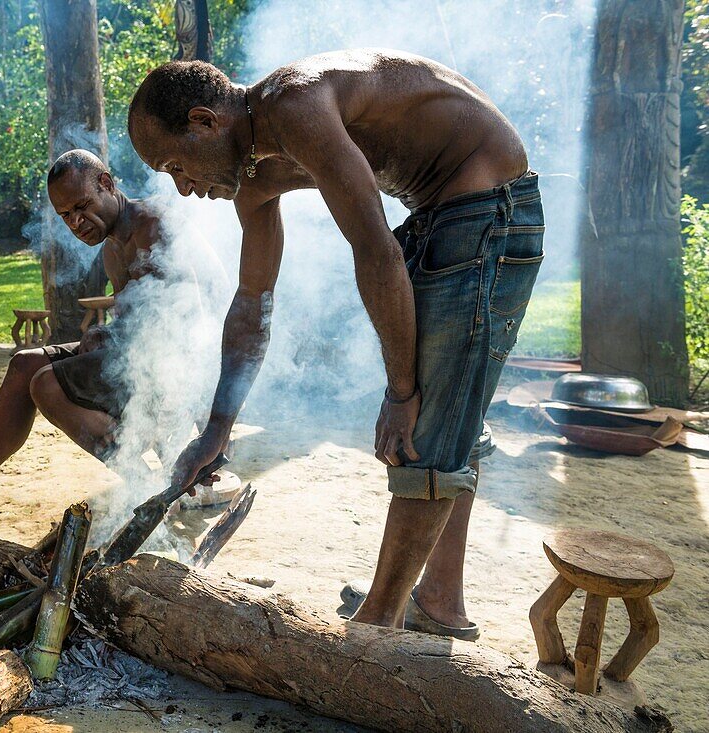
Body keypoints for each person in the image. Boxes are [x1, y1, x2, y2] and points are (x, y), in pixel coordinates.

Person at [128, 52, 544, 638]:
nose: (183, 188)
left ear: (204, 121)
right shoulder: (254, 178)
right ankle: (438, 602)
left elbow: (376, 251)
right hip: (443, 210)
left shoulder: (293, 106)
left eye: (175, 165)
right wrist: (217, 432)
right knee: (447, 412)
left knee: (425, 422)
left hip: (488, 205)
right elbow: (252, 305)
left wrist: (400, 391)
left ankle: (378, 628)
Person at [0, 149, 176, 526]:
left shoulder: (152, 225)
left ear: (106, 184)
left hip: (174, 366)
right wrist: (104, 332)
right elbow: (132, 320)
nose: (76, 222)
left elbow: (172, 326)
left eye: (82, 206)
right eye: (66, 216)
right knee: (26, 364)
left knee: (47, 384)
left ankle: (147, 483)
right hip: (138, 356)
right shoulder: (112, 249)